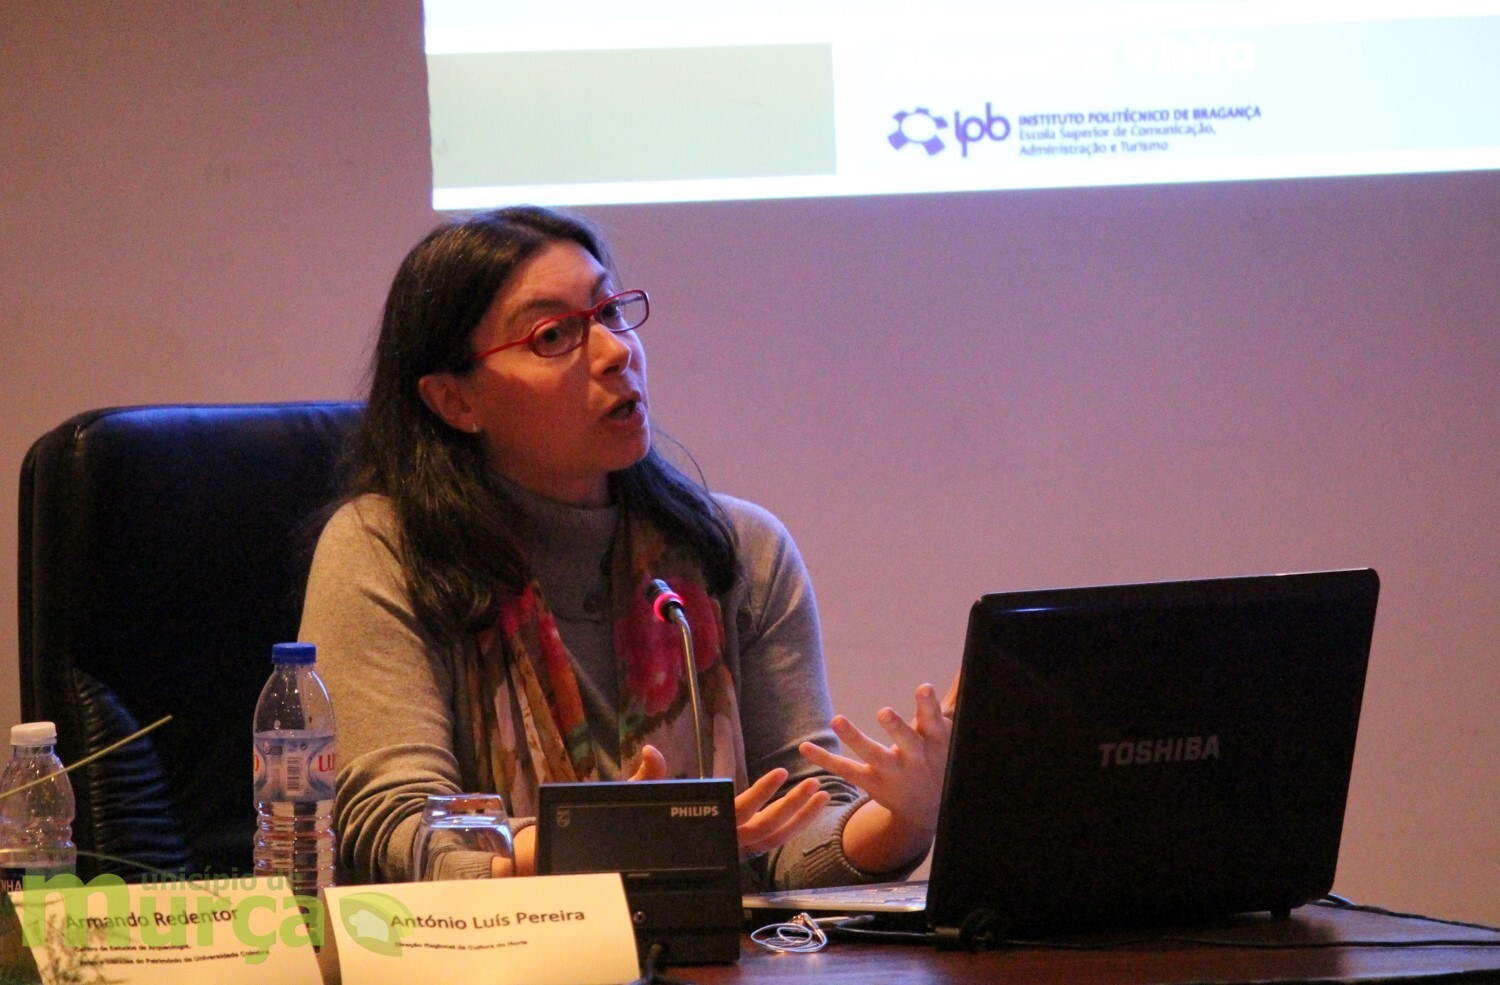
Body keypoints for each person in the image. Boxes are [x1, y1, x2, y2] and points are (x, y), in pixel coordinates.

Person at [299, 206, 952, 888]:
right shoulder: (388, 550)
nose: (616, 351)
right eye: (554, 335)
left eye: (609, 312)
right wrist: (616, 839)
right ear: (455, 401)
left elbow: (792, 822)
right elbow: (392, 828)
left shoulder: (739, 552)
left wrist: (906, 815)